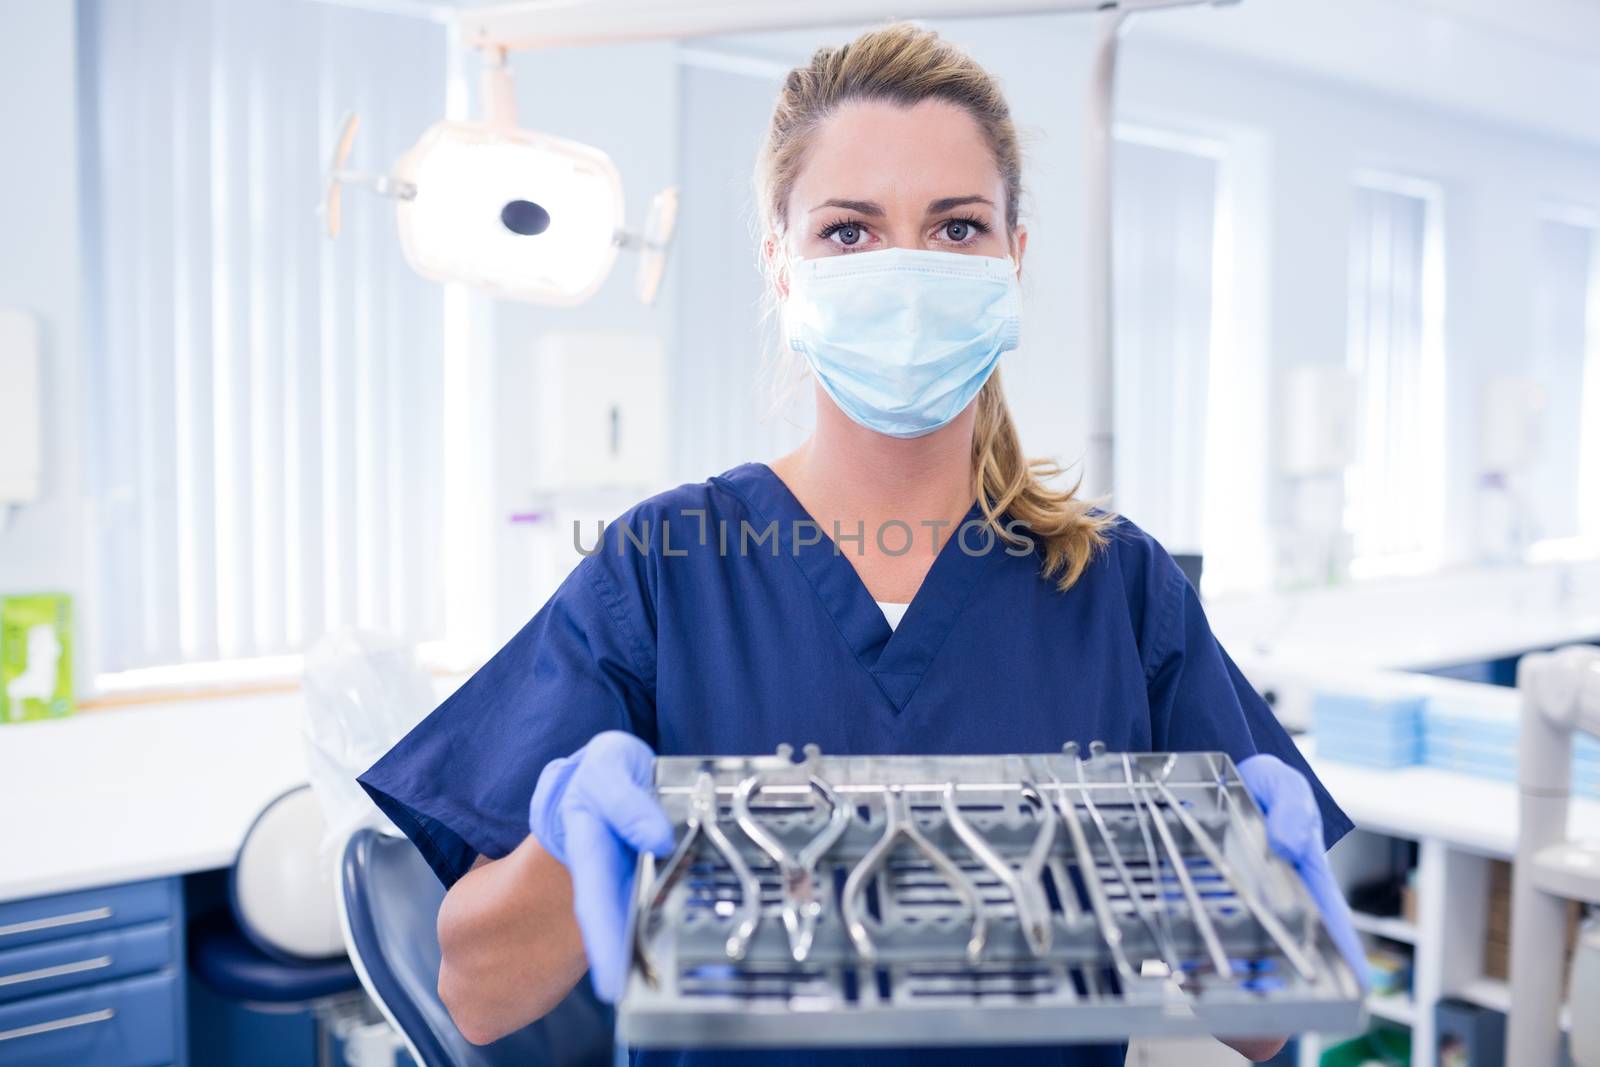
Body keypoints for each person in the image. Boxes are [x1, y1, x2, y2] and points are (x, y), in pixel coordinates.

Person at [360, 21, 1364, 1066]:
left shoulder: (1118, 590)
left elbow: (1258, 1025)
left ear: (1014, 257)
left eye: (957, 227)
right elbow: (475, 995)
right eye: (848, 231)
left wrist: (1243, 892)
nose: (905, 270)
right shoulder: (664, 569)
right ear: (781, 267)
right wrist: (573, 849)